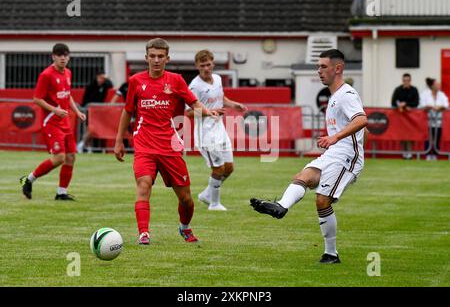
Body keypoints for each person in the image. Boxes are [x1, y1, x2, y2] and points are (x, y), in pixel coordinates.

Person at [250, 49, 369, 264]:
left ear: (338, 68)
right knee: (303, 177)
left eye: (323, 66)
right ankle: (282, 207)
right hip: (334, 153)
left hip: (346, 157)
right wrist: (340, 139)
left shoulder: (346, 94)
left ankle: (331, 254)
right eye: (318, 66)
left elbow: (362, 120)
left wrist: (336, 138)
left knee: (322, 200)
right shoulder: (335, 96)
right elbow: (360, 127)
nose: (319, 71)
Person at [114, 38, 218, 245]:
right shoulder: (136, 81)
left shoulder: (176, 81)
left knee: (186, 199)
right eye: (152, 56)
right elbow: (127, 112)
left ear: (167, 59)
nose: (156, 60)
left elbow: (194, 103)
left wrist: (207, 111)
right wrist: (119, 141)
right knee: (143, 186)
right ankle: (144, 233)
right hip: (144, 144)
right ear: (146, 58)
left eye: (160, 56)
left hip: (170, 146)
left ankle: (184, 227)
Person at [20, 43, 86, 201]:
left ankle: (61, 192)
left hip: (65, 123)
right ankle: (28, 180)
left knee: (71, 157)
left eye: (65, 55)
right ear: (53, 57)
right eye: (59, 55)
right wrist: (54, 110)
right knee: (59, 158)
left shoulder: (68, 73)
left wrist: (77, 111)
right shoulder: (47, 75)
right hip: (51, 122)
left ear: (69, 57)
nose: (63, 58)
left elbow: (67, 94)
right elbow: (37, 99)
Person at [186, 49, 247, 211]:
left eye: (208, 64)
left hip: (220, 130)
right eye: (202, 65)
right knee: (218, 169)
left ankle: (207, 194)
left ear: (213, 63)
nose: (206, 68)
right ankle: (214, 204)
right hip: (206, 135)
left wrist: (235, 105)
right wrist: (208, 112)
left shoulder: (218, 79)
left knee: (229, 168)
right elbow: (188, 113)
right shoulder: (194, 86)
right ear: (197, 66)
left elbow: (221, 98)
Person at [77, 70, 113, 153]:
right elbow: (86, 99)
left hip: (99, 111)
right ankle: (83, 145)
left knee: (93, 129)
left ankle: (85, 146)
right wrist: (84, 109)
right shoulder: (91, 85)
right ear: (97, 77)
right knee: (90, 129)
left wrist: (106, 78)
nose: (102, 79)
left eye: (103, 78)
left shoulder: (105, 85)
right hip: (89, 110)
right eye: (101, 77)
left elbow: (111, 84)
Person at [391, 73, 419, 159]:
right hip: (400, 117)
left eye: (408, 80)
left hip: (411, 117)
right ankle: (404, 153)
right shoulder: (398, 90)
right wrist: (399, 105)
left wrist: (406, 104)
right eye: (404, 80)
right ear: (402, 81)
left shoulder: (414, 90)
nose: (406, 82)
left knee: (410, 135)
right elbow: (393, 102)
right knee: (402, 135)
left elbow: (416, 102)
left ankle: (410, 153)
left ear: (410, 81)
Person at [420, 78, 449, 160]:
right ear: (432, 86)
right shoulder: (425, 94)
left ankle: (435, 154)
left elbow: (446, 104)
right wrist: (431, 107)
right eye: (437, 84)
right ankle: (427, 154)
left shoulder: (442, 94)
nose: (439, 86)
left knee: (437, 137)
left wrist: (440, 107)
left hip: (439, 121)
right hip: (427, 120)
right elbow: (422, 105)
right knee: (428, 137)